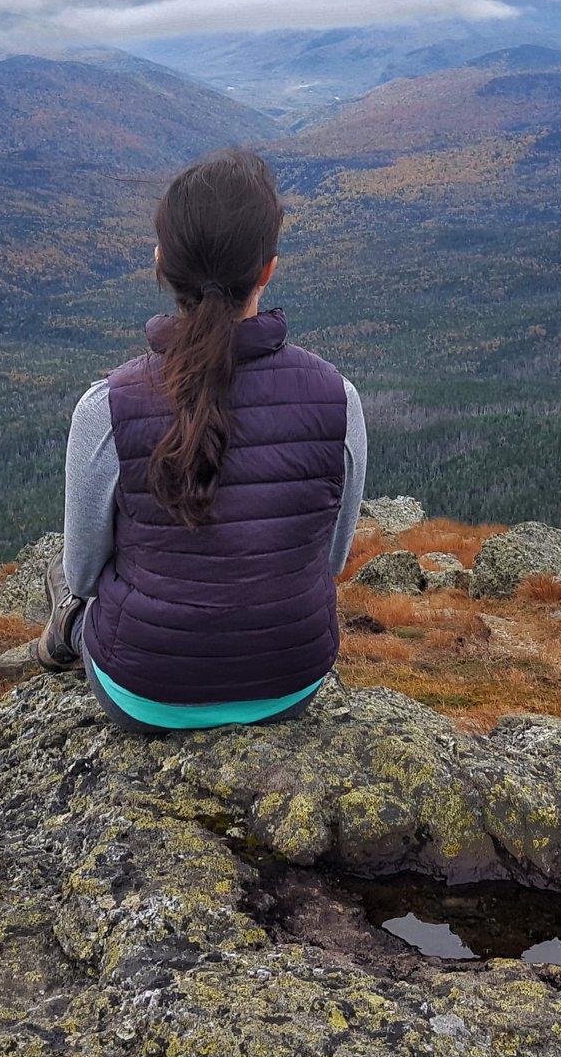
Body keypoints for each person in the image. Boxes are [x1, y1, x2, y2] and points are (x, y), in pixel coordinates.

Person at [29, 147, 364, 732]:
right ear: (268, 269)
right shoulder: (341, 400)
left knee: (66, 586)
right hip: (290, 683)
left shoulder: (106, 406)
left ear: (162, 262)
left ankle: (64, 637)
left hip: (147, 694)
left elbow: (84, 573)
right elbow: (328, 559)